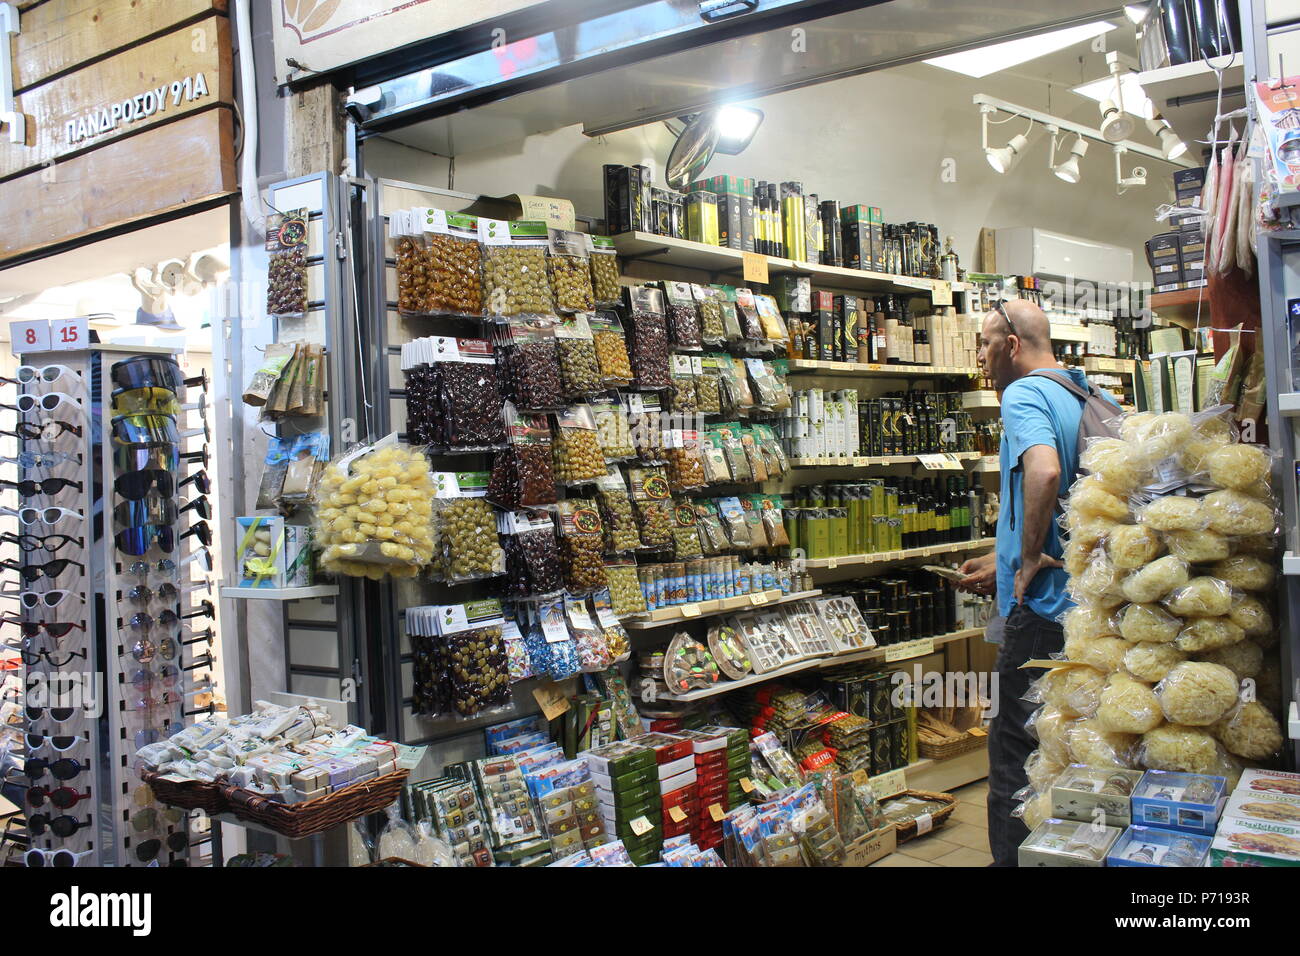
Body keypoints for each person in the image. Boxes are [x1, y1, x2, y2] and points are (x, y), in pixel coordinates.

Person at [957, 298, 1117, 866]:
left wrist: (1025, 560)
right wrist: (997, 554)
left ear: (1013, 345)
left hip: (1042, 610)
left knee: (1013, 755)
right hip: (1089, 609)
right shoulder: (1089, 392)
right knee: (1071, 751)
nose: (980, 354)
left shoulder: (1024, 393)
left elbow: (1046, 471)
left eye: (984, 342)